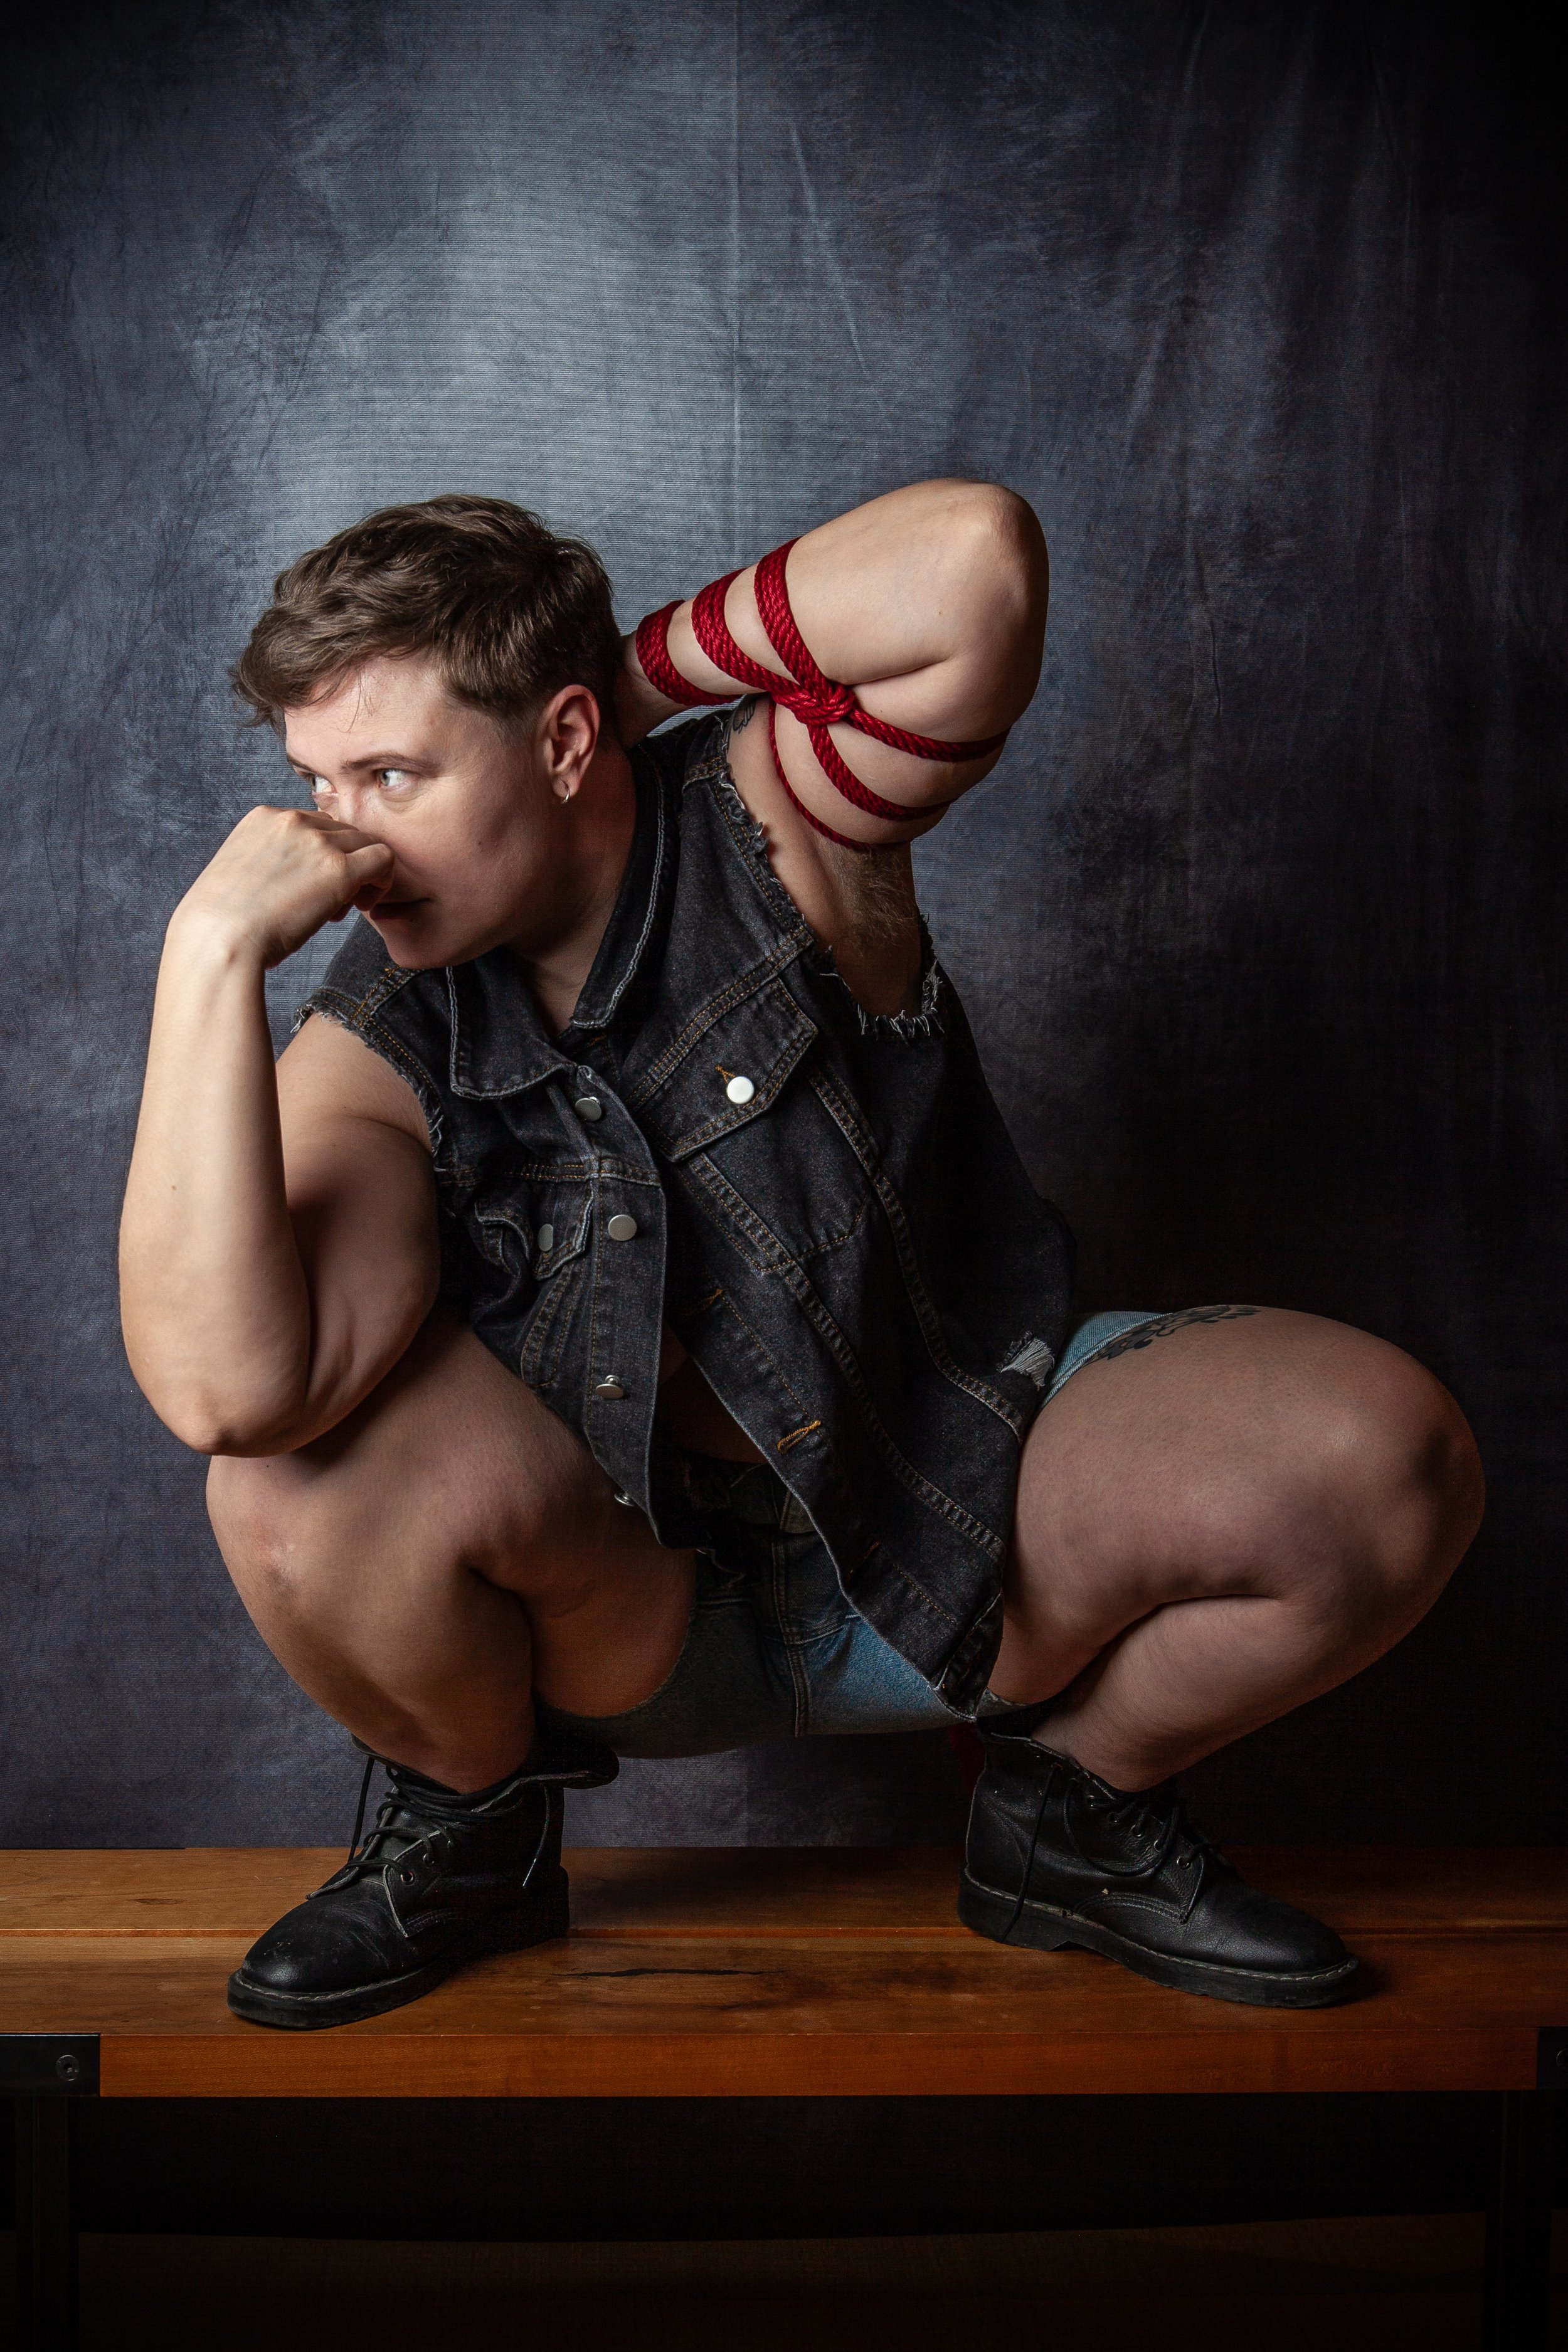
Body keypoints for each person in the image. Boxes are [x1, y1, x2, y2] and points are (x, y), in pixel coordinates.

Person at [119, 482, 1484, 2031]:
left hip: (962, 1513)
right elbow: (229, 1389)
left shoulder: (777, 822)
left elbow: (967, 568)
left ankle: (1070, 1815)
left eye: (391, 774)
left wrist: (627, 682)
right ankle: (471, 1834)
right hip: (636, 1615)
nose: (341, 847)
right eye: (316, 784)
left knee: (1388, 1460)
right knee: (284, 1483)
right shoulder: (380, 1037)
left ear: (564, 745)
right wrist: (208, 962)